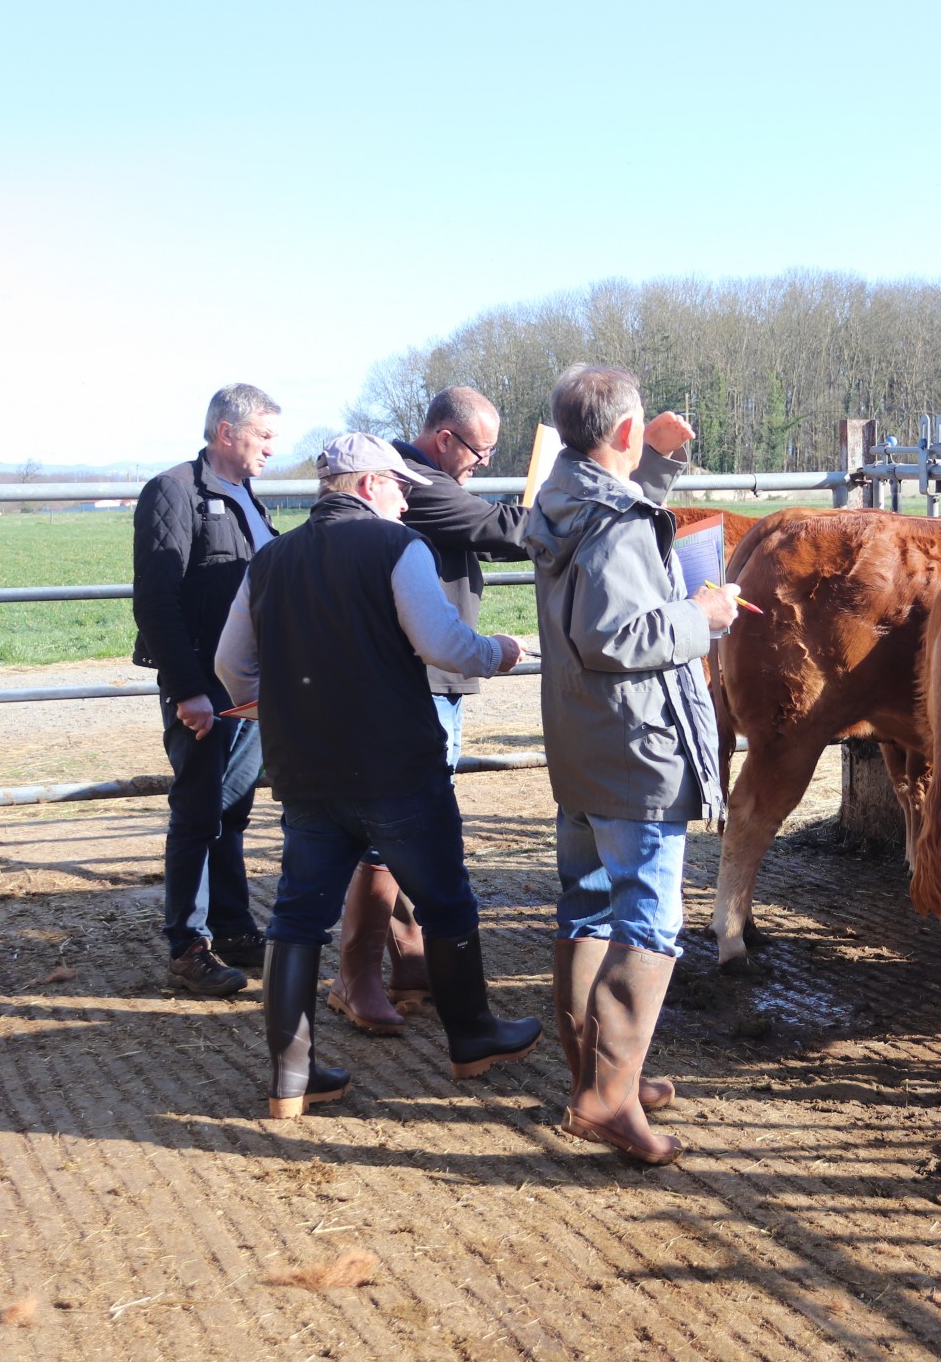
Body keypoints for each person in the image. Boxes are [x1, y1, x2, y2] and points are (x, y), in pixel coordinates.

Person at [214, 432, 541, 1120]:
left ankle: (291, 1074)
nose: (406, 504)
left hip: (305, 771)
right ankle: (472, 1037)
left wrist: (272, 698)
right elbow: (445, 645)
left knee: (298, 918)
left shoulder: (270, 560)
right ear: (368, 486)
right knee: (447, 902)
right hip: (396, 768)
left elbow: (230, 664)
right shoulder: (398, 548)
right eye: (399, 490)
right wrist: (503, 650)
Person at [523, 364, 737, 1166]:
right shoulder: (611, 524)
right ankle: (607, 1100)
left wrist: (656, 464)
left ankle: (601, 1070)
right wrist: (701, 615)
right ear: (619, 432)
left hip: (583, 742)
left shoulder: (561, 494)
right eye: (637, 428)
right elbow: (613, 636)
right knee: (649, 915)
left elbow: (608, 508)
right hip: (634, 748)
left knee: (586, 902)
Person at [327, 388, 527, 1034]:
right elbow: (502, 530)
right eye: (480, 450)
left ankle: (408, 962)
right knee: (393, 835)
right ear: (444, 438)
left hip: (432, 681)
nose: (483, 462)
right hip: (420, 681)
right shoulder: (425, 485)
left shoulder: (423, 482)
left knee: (401, 831)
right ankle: (354, 975)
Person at [131, 383, 278, 997]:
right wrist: (187, 687)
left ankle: (234, 926)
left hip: (249, 684)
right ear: (226, 431)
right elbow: (157, 599)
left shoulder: (245, 495)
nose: (273, 447)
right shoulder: (174, 492)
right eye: (264, 435)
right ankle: (186, 945)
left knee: (233, 807)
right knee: (198, 807)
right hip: (205, 687)